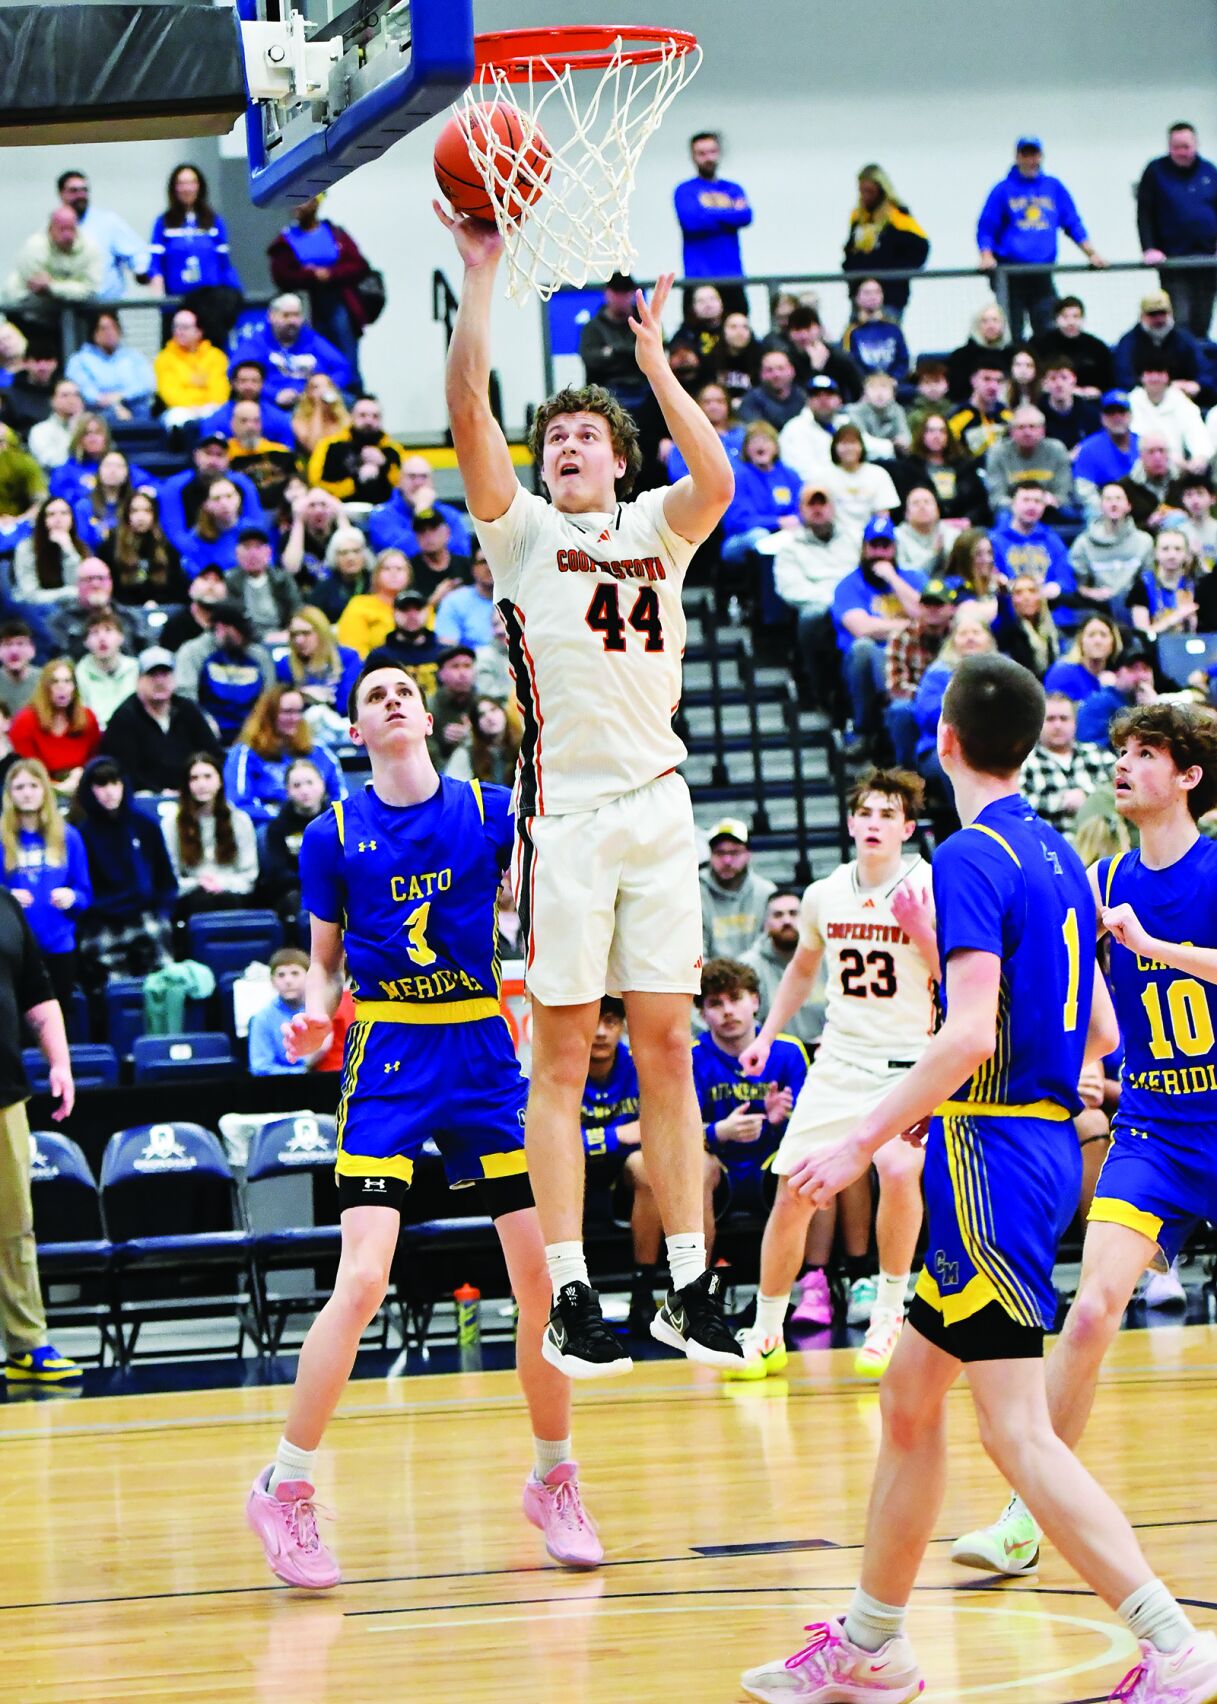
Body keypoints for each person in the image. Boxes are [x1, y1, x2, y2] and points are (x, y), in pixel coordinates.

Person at [739, 656, 1211, 1704]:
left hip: (990, 1157)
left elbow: (962, 1038)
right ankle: (872, 1645)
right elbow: (1093, 1026)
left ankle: (1173, 1643)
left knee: (1013, 1430)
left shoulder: (964, 855)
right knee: (908, 1401)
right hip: (1020, 1144)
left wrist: (858, 1141)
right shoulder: (1057, 852)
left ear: (942, 739)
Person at [442, 200, 743, 1375]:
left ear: (617, 457)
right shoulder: (518, 533)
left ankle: (684, 1284)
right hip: (563, 817)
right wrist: (481, 277)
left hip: (657, 806)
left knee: (666, 1047)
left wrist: (656, 367)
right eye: (554, 437)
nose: (565, 447)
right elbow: (468, 412)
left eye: (584, 436)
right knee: (562, 1058)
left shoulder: (657, 528)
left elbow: (716, 478)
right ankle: (570, 1292)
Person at [245, 657, 603, 1586]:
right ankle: (285, 1485)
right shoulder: (330, 834)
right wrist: (315, 1015)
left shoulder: (489, 810)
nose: (394, 700)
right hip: (391, 1051)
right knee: (363, 1278)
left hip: (481, 1048)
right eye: (375, 695)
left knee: (540, 1277)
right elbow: (324, 963)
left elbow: (540, 902)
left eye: (405, 690)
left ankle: (553, 1477)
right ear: (355, 730)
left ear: (429, 717)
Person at [947, 704, 1217, 1702]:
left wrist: (1158, 947)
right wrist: (1082, 1078)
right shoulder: (1100, 881)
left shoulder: (1209, 872)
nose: (1123, 766)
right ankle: (1027, 1514)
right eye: (1120, 753)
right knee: (1093, 1309)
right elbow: (1086, 1010)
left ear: (1187, 776)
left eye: (1144, 753)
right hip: (1152, 1128)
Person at [732, 769, 936, 1388]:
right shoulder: (823, 894)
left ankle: (889, 1316)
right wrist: (766, 1035)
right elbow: (802, 969)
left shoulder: (929, 884)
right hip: (841, 1060)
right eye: (865, 812)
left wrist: (920, 929)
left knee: (897, 1171)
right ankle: (767, 1329)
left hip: (910, 1061)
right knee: (794, 1189)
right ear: (850, 823)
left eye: (888, 814)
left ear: (907, 828)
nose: (874, 823)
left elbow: (959, 972)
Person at [0, 872, 79, 1387]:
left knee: (13, 1225)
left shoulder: (6, 906)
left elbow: (38, 992)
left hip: (4, 1091)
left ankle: (26, 1346)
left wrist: (61, 1063)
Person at [694, 956, 808, 1234]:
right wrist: (719, 1131)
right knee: (696, 1167)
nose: (728, 1011)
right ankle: (695, 1264)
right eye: (715, 1004)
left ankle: (823, 1263)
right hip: (717, 1167)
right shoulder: (691, 1058)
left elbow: (811, 1128)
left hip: (772, 1163)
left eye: (735, 999)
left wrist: (779, 1120)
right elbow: (675, 1135)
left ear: (755, 1001)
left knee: (811, 1160)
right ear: (702, 1014)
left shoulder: (789, 1051)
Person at [976, 136, 1106, 339]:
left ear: (1041, 156)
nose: (1030, 160)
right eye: (1025, 155)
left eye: (1034, 155)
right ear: (1017, 157)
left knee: (1047, 329)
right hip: (1010, 273)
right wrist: (986, 255)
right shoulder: (1002, 190)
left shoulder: (1053, 187)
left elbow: (1072, 223)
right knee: (1012, 330)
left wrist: (1091, 253)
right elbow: (987, 226)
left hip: (1042, 272)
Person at [70, 755, 175, 986]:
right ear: (89, 789)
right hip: (101, 921)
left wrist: (162, 912)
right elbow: (80, 887)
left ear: (124, 784)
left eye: (114, 783)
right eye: (101, 784)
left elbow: (166, 879)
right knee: (116, 990)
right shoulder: (80, 834)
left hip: (146, 915)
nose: (109, 791)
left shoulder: (146, 826)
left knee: (164, 984)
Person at [829, 515, 927, 752]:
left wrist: (892, 578)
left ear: (895, 549)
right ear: (864, 548)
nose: (880, 553)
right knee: (864, 648)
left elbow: (928, 615)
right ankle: (864, 730)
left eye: (886, 546)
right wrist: (909, 624)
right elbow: (862, 628)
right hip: (865, 666)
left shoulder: (913, 578)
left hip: (913, 658)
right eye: (874, 546)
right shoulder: (848, 585)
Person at [0, 758, 90, 1012]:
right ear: (9, 794)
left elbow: (85, 892)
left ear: (45, 790)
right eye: (19, 787)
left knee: (58, 1018)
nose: (27, 793)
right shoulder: (2, 839)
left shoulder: (68, 836)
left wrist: (72, 897)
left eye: (33, 785)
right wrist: (7, 898)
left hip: (58, 946)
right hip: (13, 949)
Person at [267, 194, 372, 388]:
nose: (298, 206)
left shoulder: (336, 234)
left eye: (304, 200)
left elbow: (358, 265)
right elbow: (281, 274)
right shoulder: (285, 240)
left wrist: (331, 274)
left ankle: (352, 393)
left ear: (316, 202)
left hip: (339, 304)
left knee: (347, 357)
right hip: (307, 307)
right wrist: (311, 276)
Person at [144, 163, 242, 346]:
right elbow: (155, 265)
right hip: (177, 306)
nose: (187, 188)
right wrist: (160, 301)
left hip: (210, 309)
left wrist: (236, 295)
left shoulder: (214, 221)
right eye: (181, 183)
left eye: (191, 182)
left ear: (199, 186)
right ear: (174, 188)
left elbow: (224, 264)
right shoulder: (163, 223)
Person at [99, 645, 221, 793]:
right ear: (139, 680)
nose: (160, 681)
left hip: (191, 793)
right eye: (153, 675)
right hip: (144, 796)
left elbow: (212, 755)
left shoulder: (188, 710)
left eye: (165, 674)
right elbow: (124, 771)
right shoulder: (124, 718)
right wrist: (160, 792)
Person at [224, 683, 346, 825]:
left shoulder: (319, 752)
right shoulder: (244, 754)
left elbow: (341, 798)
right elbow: (239, 804)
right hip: (268, 826)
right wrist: (287, 817)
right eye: (287, 712)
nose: (295, 718)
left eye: (299, 711)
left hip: (319, 825)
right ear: (269, 715)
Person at [1137, 123, 1217, 337]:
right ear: (1169, 146)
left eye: (1186, 146)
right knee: (1181, 320)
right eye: (1176, 147)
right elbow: (1145, 213)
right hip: (1173, 260)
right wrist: (1149, 248)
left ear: (1196, 145)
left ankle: (1201, 358)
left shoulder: (1210, 171)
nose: (1182, 152)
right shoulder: (1155, 171)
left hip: (1207, 261)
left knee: (1202, 320)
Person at [162, 751, 258, 921]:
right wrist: (198, 883)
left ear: (220, 781)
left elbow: (249, 875)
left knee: (227, 901)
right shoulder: (171, 824)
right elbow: (170, 878)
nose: (201, 784)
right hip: (191, 893)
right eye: (194, 778)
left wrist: (221, 883)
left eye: (208, 777)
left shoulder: (240, 820)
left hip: (232, 892)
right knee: (202, 901)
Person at [672, 132, 751, 311]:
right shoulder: (685, 190)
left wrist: (705, 213)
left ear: (719, 153)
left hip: (732, 277)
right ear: (693, 156)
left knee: (737, 323)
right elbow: (691, 222)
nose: (708, 158)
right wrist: (729, 213)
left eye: (712, 152)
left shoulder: (733, 188)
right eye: (701, 153)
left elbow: (745, 216)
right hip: (698, 278)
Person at [739, 887, 823, 1051]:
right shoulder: (747, 966)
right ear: (765, 923)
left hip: (825, 1049)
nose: (787, 921)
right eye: (778, 915)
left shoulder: (827, 955)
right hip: (774, 1055)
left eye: (794, 913)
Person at [1019, 691, 1112, 835]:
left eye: (1064, 718)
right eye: (1050, 719)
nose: (1057, 725)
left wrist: (1088, 797)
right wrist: (1061, 802)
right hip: (1049, 844)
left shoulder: (1099, 755)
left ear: (1075, 723)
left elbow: (1123, 791)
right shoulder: (1024, 763)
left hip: (1101, 843)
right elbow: (1017, 806)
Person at [770, 485, 861, 633]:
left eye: (822, 503)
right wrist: (837, 600)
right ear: (801, 510)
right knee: (812, 615)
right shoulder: (789, 548)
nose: (817, 509)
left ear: (832, 508)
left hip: (859, 603)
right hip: (822, 606)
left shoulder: (855, 539)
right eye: (811, 504)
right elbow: (791, 589)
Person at [841, 165, 929, 318]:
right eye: (862, 191)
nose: (865, 196)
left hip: (889, 298)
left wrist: (895, 274)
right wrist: (850, 271)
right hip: (860, 296)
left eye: (870, 191)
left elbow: (921, 249)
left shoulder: (898, 218)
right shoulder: (858, 217)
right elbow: (851, 249)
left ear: (881, 190)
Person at [235, 294, 351, 409]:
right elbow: (238, 373)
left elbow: (342, 368)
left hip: (311, 402)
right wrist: (274, 394)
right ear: (271, 316)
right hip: (270, 404)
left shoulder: (312, 339)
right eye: (286, 315)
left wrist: (323, 388)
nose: (292, 321)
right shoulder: (257, 342)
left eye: (296, 315)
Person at [9, 659, 100, 798]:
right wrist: (58, 787)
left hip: (84, 788)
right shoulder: (25, 721)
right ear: (45, 687)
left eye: (67, 681)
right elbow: (26, 770)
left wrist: (82, 775)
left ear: (74, 687)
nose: (62, 687)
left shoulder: (88, 718)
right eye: (55, 682)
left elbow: (96, 760)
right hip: (38, 792)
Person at [188, 604, 275, 746]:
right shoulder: (197, 653)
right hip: (211, 730)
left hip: (251, 730)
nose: (245, 636)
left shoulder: (259, 656)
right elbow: (187, 696)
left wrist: (253, 727)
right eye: (239, 630)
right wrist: (204, 721)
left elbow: (269, 697)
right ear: (220, 627)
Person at [55, 169, 145, 302]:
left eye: (84, 190)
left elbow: (138, 253)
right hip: (68, 307)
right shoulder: (53, 226)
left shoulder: (107, 222)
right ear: (61, 194)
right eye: (74, 191)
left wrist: (141, 270)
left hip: (104, 307)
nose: (81, 195)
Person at [1068, 481, 1153, 620]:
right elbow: (1076, 585)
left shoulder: (1144, 541)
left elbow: (1150, 581)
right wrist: (1091, 593)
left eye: (1118, 499)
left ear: (1128, 506)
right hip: (1097, 609)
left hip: (1136, 610)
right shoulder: (1083, 543)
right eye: (1108, 499)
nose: (1114, 504)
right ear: (1100, 506)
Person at [258, 756, 328, 926]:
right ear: (287, 791)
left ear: (322, 785)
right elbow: (278, 873)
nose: (304, 790)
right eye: (297, 785)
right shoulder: (277, 828)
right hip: (295, 892)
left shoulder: (340, 821)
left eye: (310, 783)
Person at [720, 422, 801, 561]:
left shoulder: (789, 474)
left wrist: (796, 520)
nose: (760, 445)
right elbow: (738, 521)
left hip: (784, 532)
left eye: (765, 440)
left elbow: (803, 508)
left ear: (776, 447)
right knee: (760, 536)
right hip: (742, 537)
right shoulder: (738, 477)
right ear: (746, 449)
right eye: (754, 441)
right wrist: (777, 522)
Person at [307, 395, 405, 506]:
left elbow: (403, 486)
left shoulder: (392, 449)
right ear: (351, 416)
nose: (369, 421)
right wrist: (355, 482)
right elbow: (316, 483)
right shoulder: (331, 446)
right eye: (362, 415)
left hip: (384, 510)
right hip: (341, 508)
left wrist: (385, 464)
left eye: (375, 416)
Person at [700, 819, 775, 962]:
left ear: (748, 854)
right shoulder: (695, 894)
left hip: (755, 973)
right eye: (719, 853)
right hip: (710, 974)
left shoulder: (766, 893)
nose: (727, 860)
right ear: (710, 855)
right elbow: (695, 952)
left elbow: (769, 949)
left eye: (734, 852)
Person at [894, 414, 989, 526]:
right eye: (931, 431)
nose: (937, 436)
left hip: (963, 526)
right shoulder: (909, 467)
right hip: (924, 527)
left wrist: (968, 520)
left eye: (942, 431)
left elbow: (980, 502)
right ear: (922, 435)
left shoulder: (965, 465)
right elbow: (903, 507)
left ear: (948, 436)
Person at [989, 482, 1074, 603]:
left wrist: (1056, 587)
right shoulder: (994, 540)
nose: (1032, 506)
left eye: (1037, 501)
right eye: (1026, 500)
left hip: (1049, 606)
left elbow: (1066, 579)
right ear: (1012, 504)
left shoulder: (1052, 539)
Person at [64, 311, 155, 423]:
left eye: (113, 327)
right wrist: (114, 406)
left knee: (143, 411)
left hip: (132, 406)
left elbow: (148, 385)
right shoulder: (80, 360)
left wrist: (121, 396)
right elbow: (85, 391)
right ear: (94, 333)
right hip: (99, 410)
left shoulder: (133, 356)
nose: (109, 332)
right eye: (104, 329)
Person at [101, 489, 186, 607]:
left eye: (147, 511)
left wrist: (156, 603)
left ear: (154, 515)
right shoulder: (110, 548)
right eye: (134, 511)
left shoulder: (166, 548)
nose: (141, 517)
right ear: (126, 515)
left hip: (160, 609)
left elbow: (176, 588)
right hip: (122, 610)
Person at [6, 206, 102, 311]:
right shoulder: (35, 246)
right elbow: (37, 288)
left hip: (75, 308)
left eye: (71, 229)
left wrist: (53, 286)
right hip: (28, 307)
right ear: (50, 228)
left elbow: (91, 290)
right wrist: (74, 286)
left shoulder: (90, 248)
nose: (67, 235)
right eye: (62, 229)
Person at [984, 404, 1074, 513]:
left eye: (1032, 427)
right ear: (1011, 432)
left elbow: (1064, 494)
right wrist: (1023, 505)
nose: (1027, 432)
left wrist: (1043, 502)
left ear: (1043, 430)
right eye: (1021, 427)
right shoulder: (998, 452)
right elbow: (996, 498)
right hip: (1011, 512)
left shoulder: (1056, 450)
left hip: (1050, 509)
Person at [1113, 290, 1205, 397]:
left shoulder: (1184, 339)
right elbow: (1123, 378)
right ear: (1142, 316)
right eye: (1152, 314)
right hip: (1141, 399)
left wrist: (1198, 385)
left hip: (1182, 398)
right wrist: (1160, 387)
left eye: (1162, 313)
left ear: (1171, 313)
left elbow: (1205, 371)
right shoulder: (1128, 342)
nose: (1159, 319)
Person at [277, 606, 361, 721]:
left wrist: (324, 699)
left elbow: (349, 706)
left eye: (306, 633)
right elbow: (281, 709)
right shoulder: (285, 665)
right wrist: (302, 696)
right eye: (294, 634)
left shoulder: (348, 657)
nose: (299, 640)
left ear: (322, 632)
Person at [153, 308, 231, 429]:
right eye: (176, 327)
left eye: (185, 327)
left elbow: (221, 391)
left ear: (199, 331)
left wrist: (203, 407)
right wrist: (194, 406)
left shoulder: (216, 356)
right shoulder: (164, 358)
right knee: (175, 419)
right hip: (180, 409)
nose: (179, 332)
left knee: (221, 416)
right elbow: (169, 393)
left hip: (210, 407)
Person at [578, 273, 646, 411]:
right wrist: (632, 354)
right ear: (607, 293)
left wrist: (612, 351)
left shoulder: (645, 324)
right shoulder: (592, 328)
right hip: (604, 392)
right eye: (616, 292)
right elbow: (591, 360)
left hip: (644, 390)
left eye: (625, 292)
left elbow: (655, 357)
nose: (620, 298)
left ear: (632, 294)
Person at [246, 947, 318, 1075]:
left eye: (295, 973)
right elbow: (260, 1067)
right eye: (281, 975)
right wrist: (303, 1072)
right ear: (272, 982)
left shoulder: (323, 1012)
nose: (288, 981)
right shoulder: (262, 1018)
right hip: (280, 1085)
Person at [821, 426, 900, 542]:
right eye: (844, 443)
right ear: (834, 447)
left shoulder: (878, 474)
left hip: (872, 538)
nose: (849, 448)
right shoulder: (823, 477)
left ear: (861, 446)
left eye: (853, 443)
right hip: (835, 538)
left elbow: (883, 516)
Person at [1129, 361, 1212, 470]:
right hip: (1138, 468)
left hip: (1177, 470)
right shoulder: (1131, 401)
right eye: (1149, 373)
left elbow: (1197, 434)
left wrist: (1200, 457)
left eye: (1160, 372)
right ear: (1141, 377)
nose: (1155, 377)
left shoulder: (1181, 401)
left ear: (1167, 377)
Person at [365, 588, 446, 700]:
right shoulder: (379, 657)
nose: (412, 615)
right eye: (404, 609)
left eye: (418, 609)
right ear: (393, 614)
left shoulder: (445, 653)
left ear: (427, 612)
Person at [226, 526, 302, 644]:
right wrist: (261, 637)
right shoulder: (230, 581)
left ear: (268, 552)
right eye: (247, 547)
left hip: (282, 636)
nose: (252, 554)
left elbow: (297, 609)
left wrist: (290, 632)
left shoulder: (282, 579)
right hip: (246, 641)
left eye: (258, 547)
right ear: (237, 554)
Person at [1076, 636, 1157, 746]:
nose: (1141, 676)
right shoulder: (1101, 702)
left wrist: (1152, 712)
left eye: (1146, 669)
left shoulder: (1149, 704)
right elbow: (1090, 745)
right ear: (1117, 673)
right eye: (1133, 669)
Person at [1030, 295, 1114, 398]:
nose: (1071, 322)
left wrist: (1097, 391)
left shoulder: (1098, 348)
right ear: (1056, 319)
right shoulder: (1040, 345)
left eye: (1075, 316)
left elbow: (1109, 383)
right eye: (1065, 317)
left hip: (1089, 401)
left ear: (1083, 319)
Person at [201, 358, 294, 449]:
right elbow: (209, 452)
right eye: (243, 381)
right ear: (233, 383)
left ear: (262, 383)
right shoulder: (216, 420)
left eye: (254, 381)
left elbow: (288, 451)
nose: (249, 386)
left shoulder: (279, 418)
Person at [335, 546, 411, 656]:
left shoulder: (418, 606)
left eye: (399, 569)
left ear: (409, 576)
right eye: (387, 569)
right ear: (376, 575)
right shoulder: (359, 605)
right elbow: (354, 651)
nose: (393, 573)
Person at [1073, 391, 1141, 513]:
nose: (1117, 417)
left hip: (1140, 506)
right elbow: (1084, 490)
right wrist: (1109, 509)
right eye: (1111, 413)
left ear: (1130, 416)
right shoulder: (1089, 448)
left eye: (1121, 412)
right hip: (1102, 508)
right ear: (1102, 418)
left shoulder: (1143, 445)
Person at [1127, 525, 1199, 638]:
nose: (1172, 555)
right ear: (1155, 553)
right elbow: (1142, 634)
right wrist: (1174, 618)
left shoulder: (1195, 584)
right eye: (1165, 549)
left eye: (1178, 549)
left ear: (1186, 554)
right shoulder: (1142, 585)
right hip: (1153, 646)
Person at [226, 401, 296, 517]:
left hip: (281, 513)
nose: (250, 427)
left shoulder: (281, 452)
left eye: (256, 421)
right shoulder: (225, 455)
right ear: (232, 424)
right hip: (242, 515)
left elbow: (297, 481)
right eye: (244, 421)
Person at [12, 495, 83, 605]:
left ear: (72, 519)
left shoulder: (79, 546)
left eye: (64, 513)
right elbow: (29, 594)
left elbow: (79, 587)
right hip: (38, 610)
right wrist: (66, 593)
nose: (58, 519)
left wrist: (68, 551)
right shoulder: (26, 548)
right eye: (51, 514)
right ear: (42, 520)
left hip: (72, 608)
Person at [75, 609, 138, 728]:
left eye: (108, 630)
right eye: (95, 632)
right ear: (86, 642)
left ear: (121, 637)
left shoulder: (136, 669)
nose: (102, 638)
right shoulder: (79, 673)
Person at [1044, 611, 1123, 703]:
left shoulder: (1117, 678)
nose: (1098, 641)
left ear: (1114, 643)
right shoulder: (1061, 672)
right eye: (1091, 635)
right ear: (1081, 641)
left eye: (1103, 635)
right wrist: (1105, 693)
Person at [993, 572, 1060, 680]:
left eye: (1032, 591)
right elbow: (1003, 622)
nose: (1026, 597)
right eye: (1018, 593)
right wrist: (1003, 596)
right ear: (1012, 600)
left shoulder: (1050, 629)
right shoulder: (1008, 630)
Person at [840, 279, 909, 380]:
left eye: (877, 292)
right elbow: (849, 364)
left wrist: (893, 379)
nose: (873, 297)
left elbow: (903, 360)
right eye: (867, 293)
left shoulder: (894, 329)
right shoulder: (851, 332)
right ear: (857, 298)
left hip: (892, 383)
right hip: (863, 384)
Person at [946, 302, 1012, 402]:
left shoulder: (1011, 355)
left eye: (995, 320)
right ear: (976, 325)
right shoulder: (961, 356)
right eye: (985, 321)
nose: (991, 325)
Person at [948, 362, 1012, 461]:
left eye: (998, 381)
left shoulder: (1008, 416)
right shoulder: (957, 417)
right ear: (973, 381)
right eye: (986, 379)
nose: (993, 386)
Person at [434, 547, 496, 650]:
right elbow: (447, 648)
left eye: (496, 560)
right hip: (471, 659)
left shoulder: (520, 600)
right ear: (473, 568)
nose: (490, 567)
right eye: (483, 562)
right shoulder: (454, 602)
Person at [1038, 358, 1101, 454]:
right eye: (1053, 378)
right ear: (1045, 383)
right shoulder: (1037, 415)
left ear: (1074, 380)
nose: (1059, 384)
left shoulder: (1090, 414)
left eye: (1064, 378)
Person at [736, 347, 805, 434]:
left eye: (781, 368)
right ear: (761, 374)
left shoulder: (802, 397)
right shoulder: (751, 399)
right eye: (769, 370)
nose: (776, 374)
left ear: (792, 371)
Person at [27, 377, 84, 472]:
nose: (72, 400)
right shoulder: (40, 430)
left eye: (76, 395)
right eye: (65, 395)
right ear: (52, 401)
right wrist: (74, 432)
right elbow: (51, 462)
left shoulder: (90, 429)